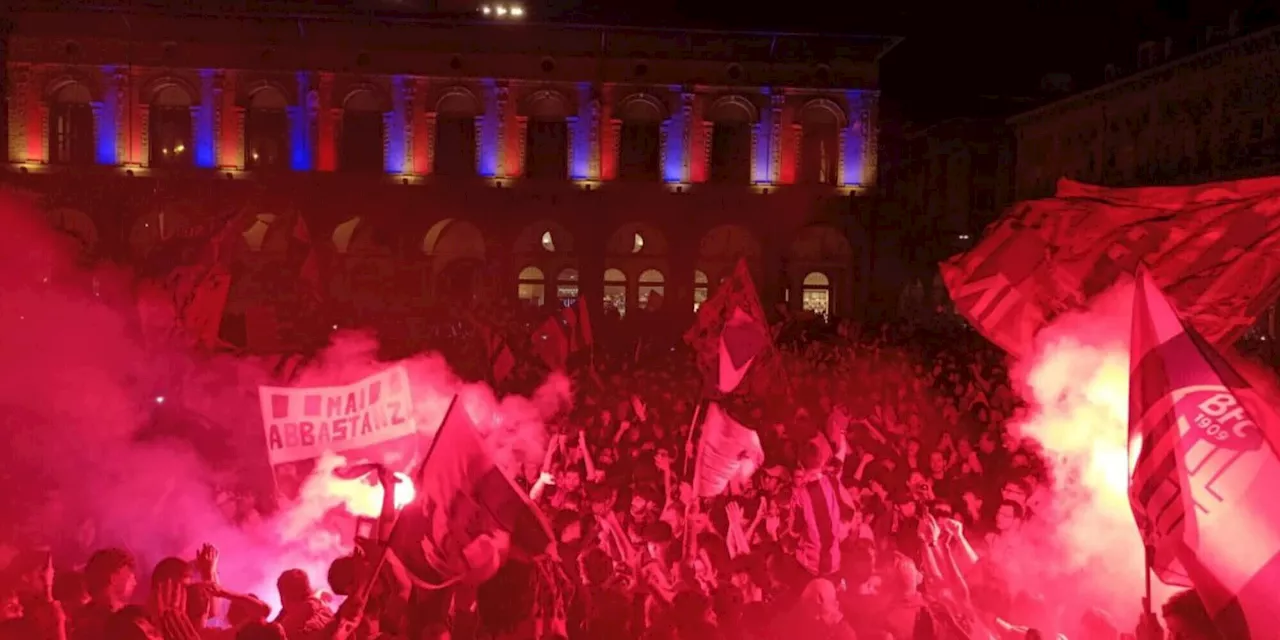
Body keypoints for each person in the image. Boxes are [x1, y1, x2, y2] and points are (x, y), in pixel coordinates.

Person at [791, 435, 842, 580]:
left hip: (812, 564)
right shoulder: (833, 481)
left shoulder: (801, 494)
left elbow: (794, 530)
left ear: (801, 465)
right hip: (835, 559)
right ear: (820, 461)